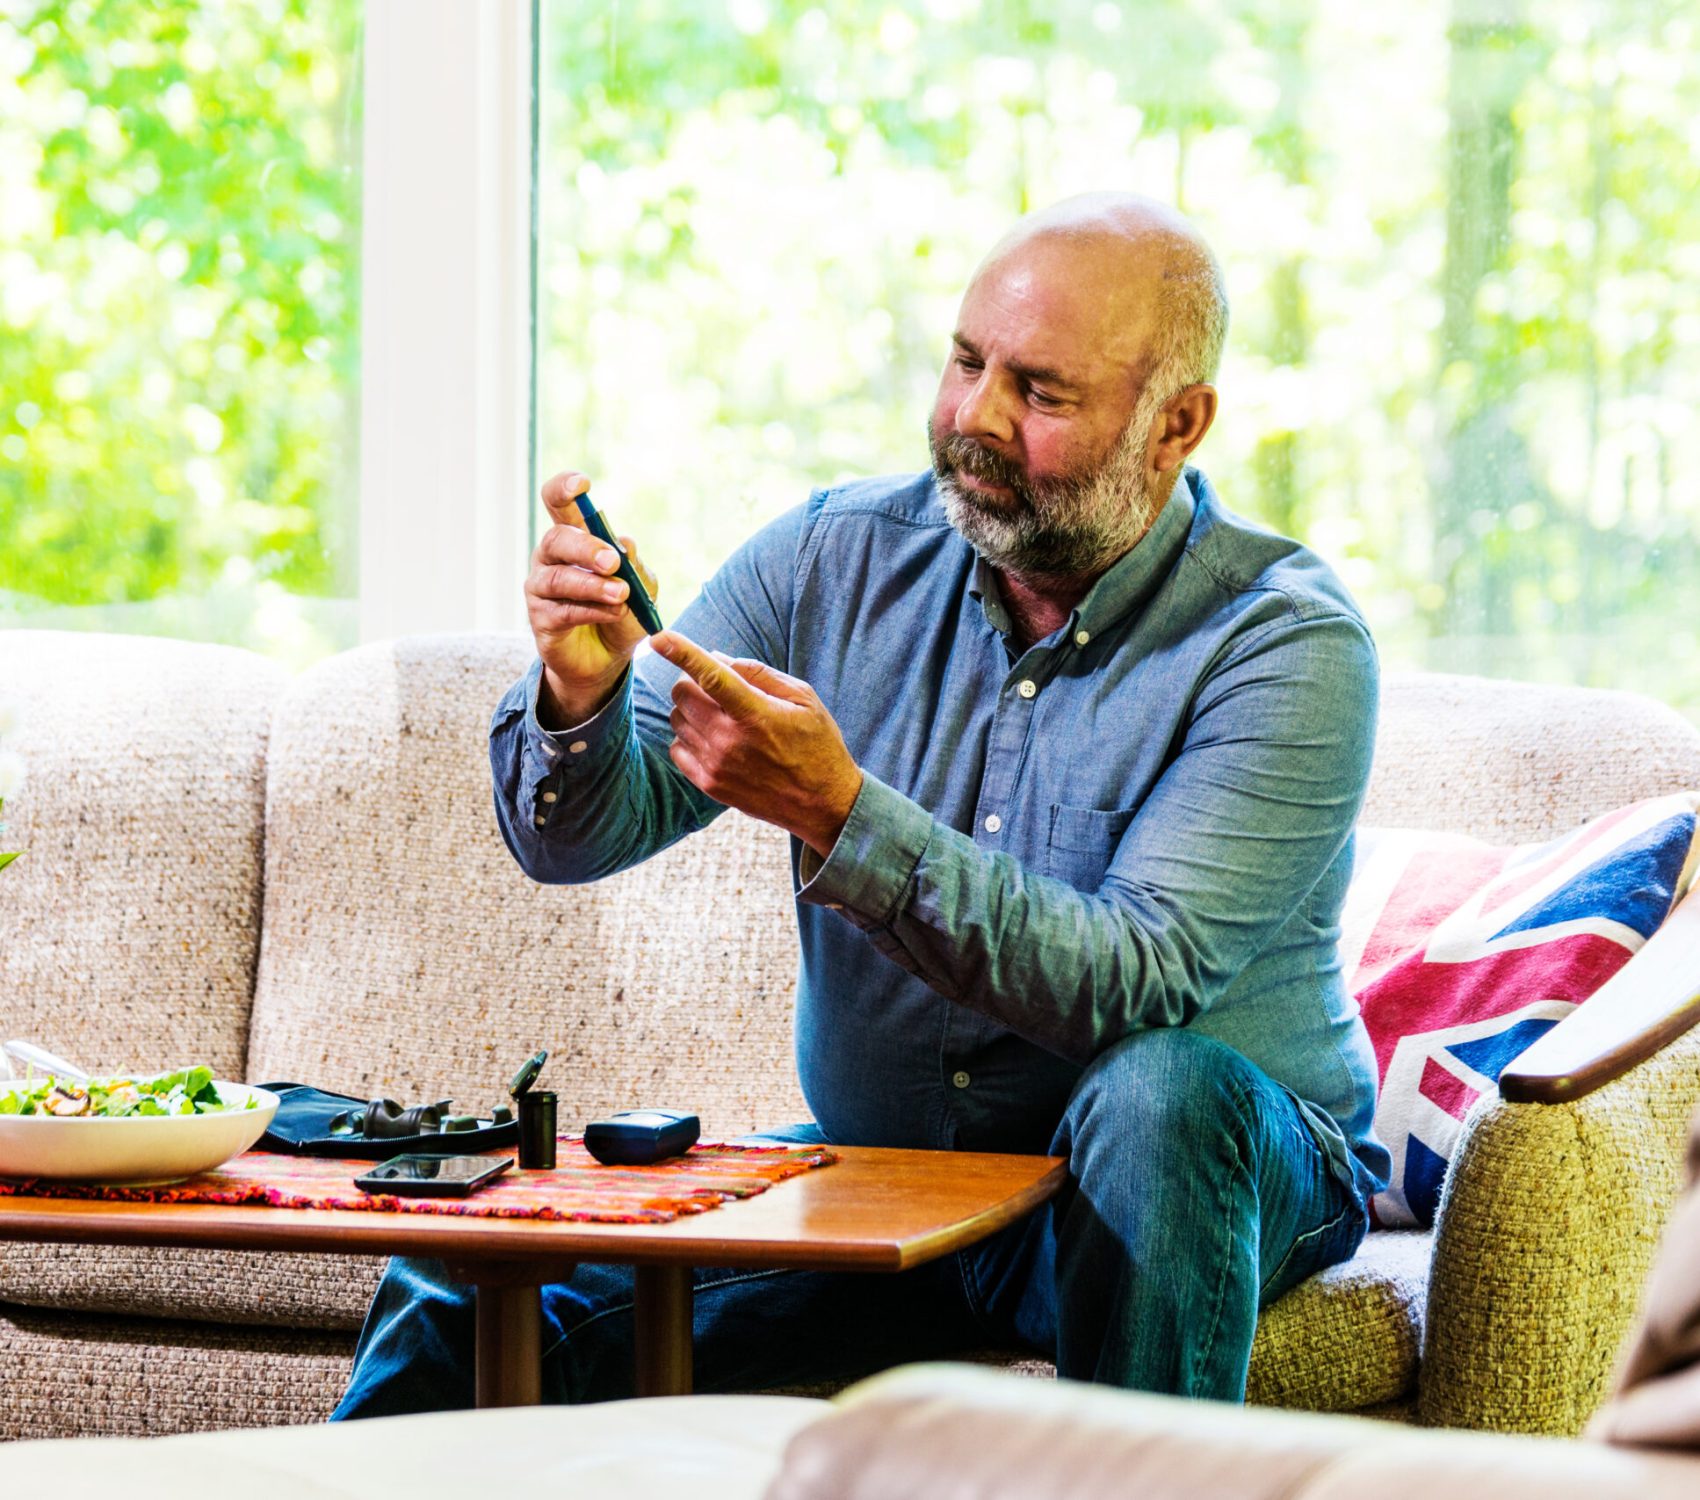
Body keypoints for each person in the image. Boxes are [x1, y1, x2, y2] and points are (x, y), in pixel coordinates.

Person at [333, 190, 1391, 1417]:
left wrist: (842, 816)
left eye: (1039, 394)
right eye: (962, 363)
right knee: (466, 1279)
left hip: (1201, 1180)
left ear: (1176, 425)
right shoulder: (833, 555)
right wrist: (581, 690)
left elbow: (1131, 981)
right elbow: (577, 839)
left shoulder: (1282, 644)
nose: (973, 421)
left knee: (1160, 1094)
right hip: (900, 1187)